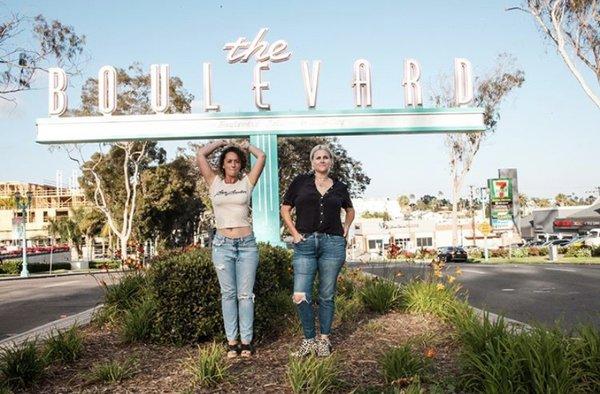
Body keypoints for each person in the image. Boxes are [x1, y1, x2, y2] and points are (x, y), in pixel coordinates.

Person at [280, 144, 355, 357]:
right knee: (300, 294)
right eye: (318, 157)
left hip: (332, 244)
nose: (322, 160)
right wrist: (294, 233)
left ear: (331, 162)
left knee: (326, 295)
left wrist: (346, 229)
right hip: (305, 244)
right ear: (312, 162)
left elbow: (350, 210)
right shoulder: (300, 183)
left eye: (325, 157)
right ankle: (309, 339)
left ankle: (324, 340)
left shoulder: (340, 187)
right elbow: (285, 209)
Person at [196, 139, 266, 358]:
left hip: (246, 245)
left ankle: (246, 342)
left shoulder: (247, 182)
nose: (233, 164)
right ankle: (231, 342)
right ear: (223, 164)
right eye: (229, 161)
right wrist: (220, 143)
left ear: (240, 164)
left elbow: (262, 157)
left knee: (245, 295)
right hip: (222, 245)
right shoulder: (214, 182)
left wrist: (246, 147)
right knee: (228, 294)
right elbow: (200, 155)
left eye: (236, 161)